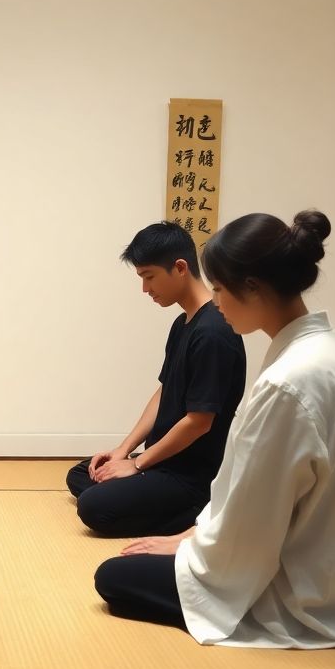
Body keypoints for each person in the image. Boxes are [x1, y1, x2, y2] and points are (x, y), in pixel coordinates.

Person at [95, 210, 335, 647]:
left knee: (113, 575)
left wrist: (192, 543)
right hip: (319, 555)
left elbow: (256, 515)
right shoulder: (322, 352)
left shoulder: (286, 383)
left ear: (253, 287)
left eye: (221, 289)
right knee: (95, 488)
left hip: (295, 580)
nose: (217, 301)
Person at [66, 222, 246, 536]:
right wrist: (124, 450)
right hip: (164, 461)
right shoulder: (183, 324)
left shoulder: (213, 332)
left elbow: (199, 422)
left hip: (192, 475)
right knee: (82, 474)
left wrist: (137, 464)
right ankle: (144, 490)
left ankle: (200, 512)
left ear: (180, 268)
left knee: (93, 506)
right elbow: (165, 391)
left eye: (149, 277)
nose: (145, 289)